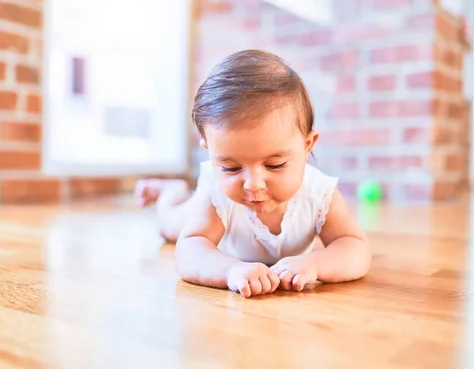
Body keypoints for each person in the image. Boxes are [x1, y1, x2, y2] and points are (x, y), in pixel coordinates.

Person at [135, 49, 371, 298]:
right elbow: (189, 251)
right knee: (171, 227)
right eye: (231, 168)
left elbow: (354, 247)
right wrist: (231, 270)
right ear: (211, 154)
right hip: (201, 212)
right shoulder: (217, 194)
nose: (253, 184)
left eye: (275, 165)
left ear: (307, 145)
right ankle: (171, 192)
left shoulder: (320, 194)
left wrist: (315, 264)